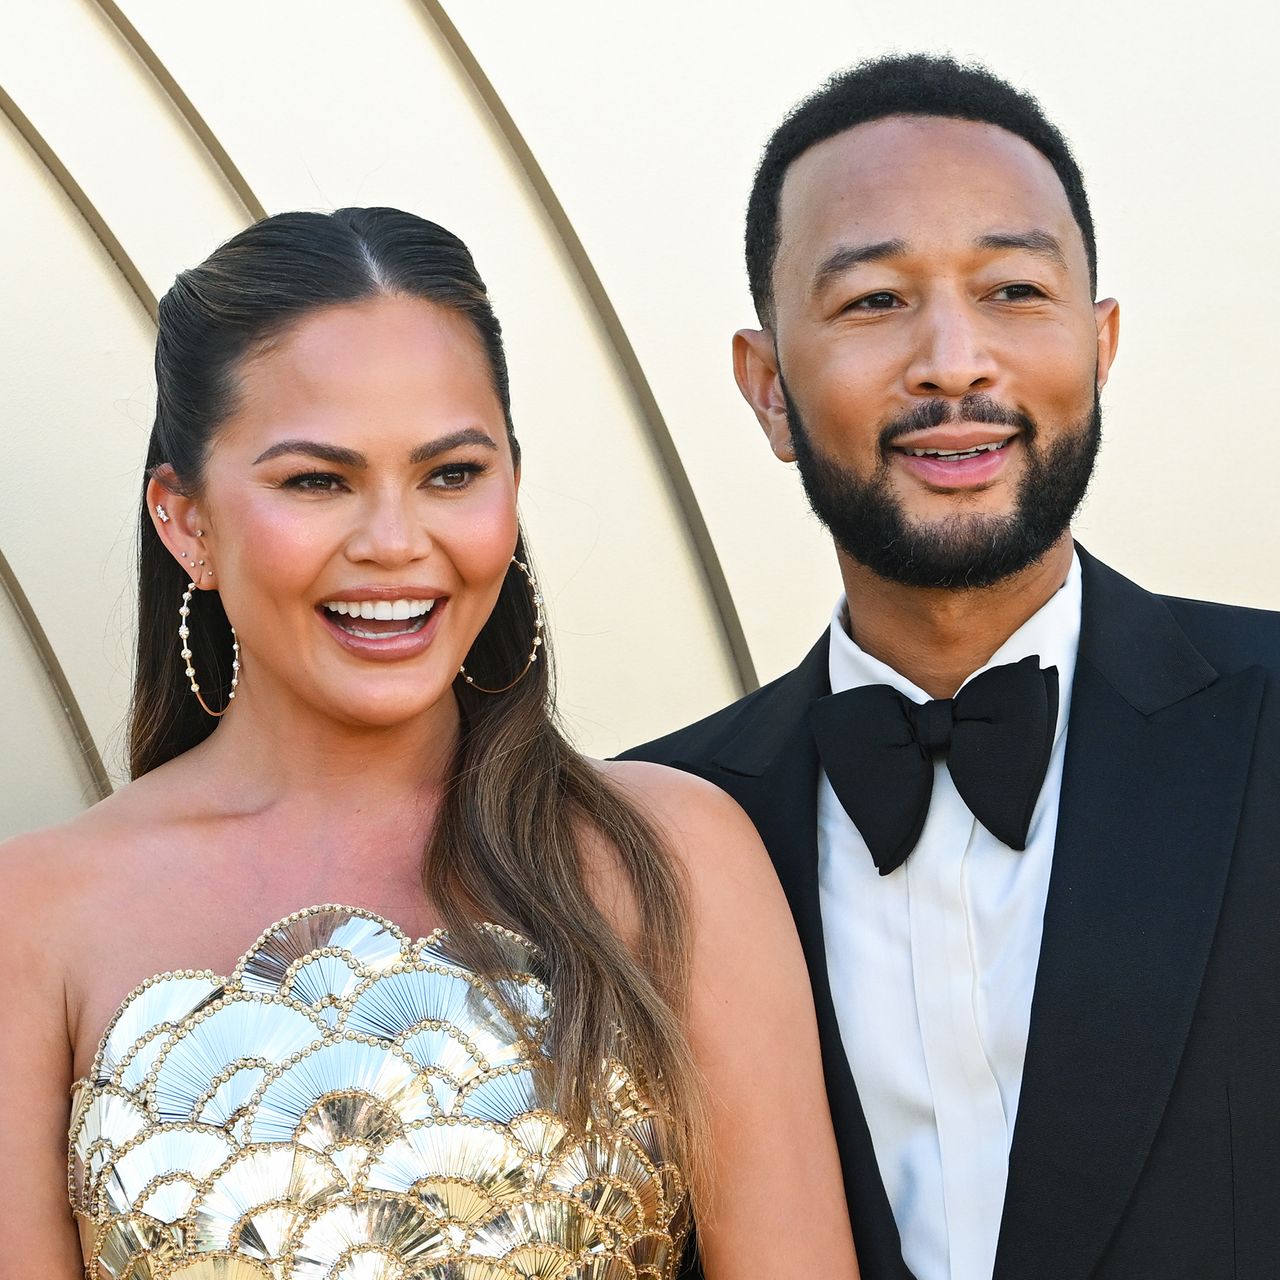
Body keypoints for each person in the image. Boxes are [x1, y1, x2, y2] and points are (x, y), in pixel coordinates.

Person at [0, 208, 858, 1278]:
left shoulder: (675, 854)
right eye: (317, 480)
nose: (396, 543)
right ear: (187, 521)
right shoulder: (32, 916)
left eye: (451, 472)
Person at [625, 54, 1280, 1280]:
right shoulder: (644, 843)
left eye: (1012, 289)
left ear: (1098, 346)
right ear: (766, 389)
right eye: (873, 301)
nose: (952, 361)